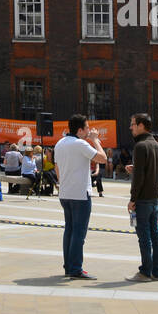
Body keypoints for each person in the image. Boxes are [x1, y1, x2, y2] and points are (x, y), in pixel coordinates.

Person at [53, 115, 106, 280]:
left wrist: (63, 182)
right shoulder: (80, 144)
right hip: (80, 194)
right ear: (80, 130)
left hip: (65, 193)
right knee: (78, 232)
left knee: (69, 230)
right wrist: (95, 140)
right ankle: (75, 268)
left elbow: (56, 167)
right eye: (87, 128)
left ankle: (68, 265)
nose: (90, 131)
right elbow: (102, 158)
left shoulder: (60, 143)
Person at [126, 113, 158, 281]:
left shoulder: (140, 146)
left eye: (133, 124)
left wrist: (133, 199)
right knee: (155, 234)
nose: (131, 127)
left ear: (141, 125)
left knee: (144, 236)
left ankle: (145, 271)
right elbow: (156, 172)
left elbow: (140, 177)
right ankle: (157, 271)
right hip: (154, 197)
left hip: (142, 198)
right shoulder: (157, 145)